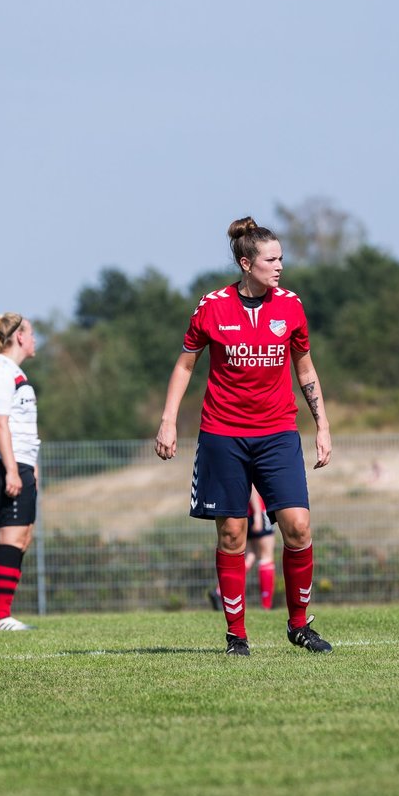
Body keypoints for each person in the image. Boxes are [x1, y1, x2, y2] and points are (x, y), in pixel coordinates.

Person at [156, 216, 333, 656]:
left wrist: (323, 425)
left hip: (277, 434)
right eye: (271, 259)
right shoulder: (212, 306)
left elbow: (305, 368)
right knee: (232, 535)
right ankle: (237, 635)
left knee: (298, 526)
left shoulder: (291, 305)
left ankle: (299, 625)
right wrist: (167, 420)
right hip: (223, 436)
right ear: (246, 263)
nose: (279, 266)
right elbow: (184, 365)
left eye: (281, 258)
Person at [0, 312, 40, 631]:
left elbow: (23, 429)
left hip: (18, 463)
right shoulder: (0, 371)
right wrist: (12, 471)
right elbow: (0, 423)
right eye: (31, 332)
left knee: (22, 537)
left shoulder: (13, 371)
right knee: (12, 537)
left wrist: (31, 469)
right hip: (2, 463)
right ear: (18, 337)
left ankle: (1, 615)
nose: (34, 339)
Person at [207, 485, 278, 611]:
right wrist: (257, 513)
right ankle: (266, 605)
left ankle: (219, 591)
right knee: (266, 557)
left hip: (246, 513)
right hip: (259, 511)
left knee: (250, 556)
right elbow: (252, 484)